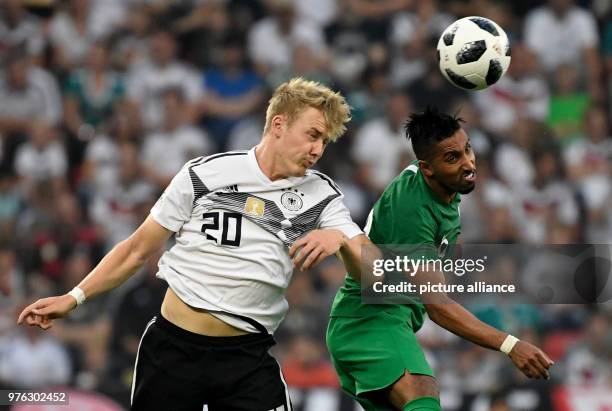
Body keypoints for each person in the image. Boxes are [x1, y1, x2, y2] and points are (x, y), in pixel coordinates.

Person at [18, 77, 368, 411]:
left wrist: (339, 237)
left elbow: (374, 269)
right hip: (172, 348)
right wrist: (73, 297)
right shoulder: (204, 174)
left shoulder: (321, 196)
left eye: (324, 141)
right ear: (278, 125)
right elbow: (137, 249)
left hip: (246, 358)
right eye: (313, 135)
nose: (318, 149)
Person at [326, 107, 554, 411]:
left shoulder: (445, 186)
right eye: (453, 158)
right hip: (370, 322)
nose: (468, 163)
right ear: (426, 168)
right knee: (423, 393)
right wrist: (510, 345)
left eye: (467, 149)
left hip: (387, 323)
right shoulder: (412, 210)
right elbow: (438, 308)